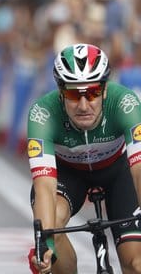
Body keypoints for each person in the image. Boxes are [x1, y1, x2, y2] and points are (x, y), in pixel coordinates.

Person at [28, 43, 141, 274]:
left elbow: (139, 169)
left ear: (105, 90)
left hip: (117, 172)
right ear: (60, 92)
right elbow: (45, 186)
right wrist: (45, 245)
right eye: (72, 94)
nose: (83, 105)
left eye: (92, 93)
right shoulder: (42, 113)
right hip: (68, 175)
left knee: (136, 264)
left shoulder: (126, 103)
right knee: (53, 227)